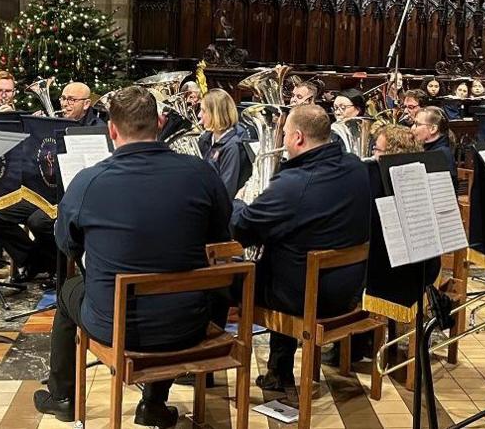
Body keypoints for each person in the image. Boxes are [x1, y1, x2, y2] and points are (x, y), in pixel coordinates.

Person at [34, 85, 232, 426]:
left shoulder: (88, 181)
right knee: (171, 280)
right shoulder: (201, 173)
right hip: (189, 322)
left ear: (112, 130)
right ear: (159, 122)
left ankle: (63, 396)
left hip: (117, 325)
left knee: (68, 293)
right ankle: (154, 403)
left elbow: (66, 243)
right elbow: (218, 235)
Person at [230, 104, 372, 392]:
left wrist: (237, 203)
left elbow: (242, 229)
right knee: (284, 253)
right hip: (349, 289)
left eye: (283, 134)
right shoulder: (356, 167)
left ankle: (199, 370)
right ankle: (279, 371)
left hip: (308, 296)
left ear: (297, 138)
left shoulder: (295, 183)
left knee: (223, 279)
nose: (281, 140)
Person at [0, 80, 105, 286]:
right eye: (63, 98)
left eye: (72, 99)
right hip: (46, 190)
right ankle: (35, 261)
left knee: (39, 221)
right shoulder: (54, 121)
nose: (66, 103)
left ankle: (50, 266)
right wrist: (37, 130)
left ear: (86, 104)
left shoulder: (96, 129)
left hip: (73, 196)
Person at [197, 89, 253, 199]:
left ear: (216, 114)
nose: (199, 115)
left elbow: (226, 192)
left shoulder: (233, 147)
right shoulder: (205, 138)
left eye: (203, 111)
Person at [412, 107, 456, 182]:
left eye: (417, 124)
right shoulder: (432, 149)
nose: (412, 128)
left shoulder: (440, 155)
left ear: (433, 129)